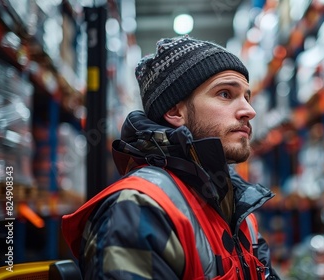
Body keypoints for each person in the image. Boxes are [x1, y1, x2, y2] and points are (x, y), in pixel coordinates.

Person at [62, 35, 280, 279]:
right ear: (175, 110)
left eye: (247, 97)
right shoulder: (139, 210)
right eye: (225, 94)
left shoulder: (240, 209)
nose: (249, 111)